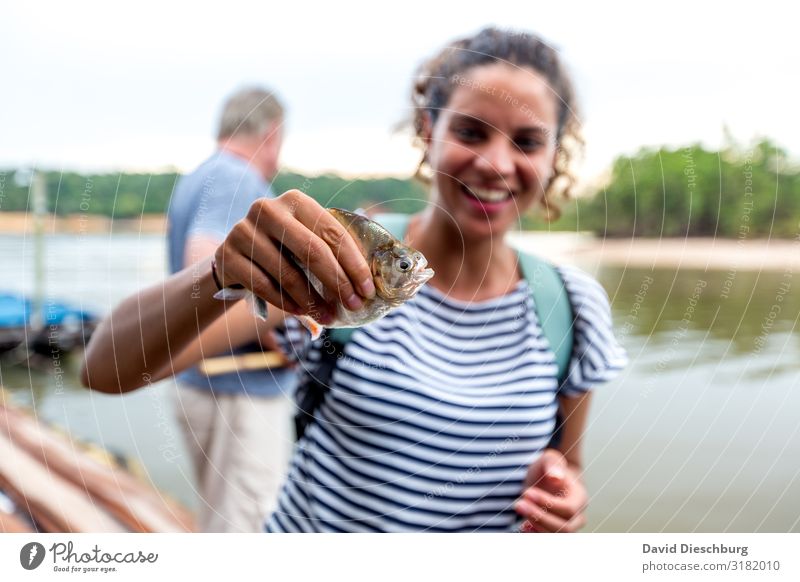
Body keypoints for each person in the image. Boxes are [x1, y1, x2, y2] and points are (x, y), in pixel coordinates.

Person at [82, 27, 627, 532]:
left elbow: (569, 465)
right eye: (470, 131)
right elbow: (105, 369)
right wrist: (217, 271)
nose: (496, 162)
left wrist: (562, 494)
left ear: (556, 156)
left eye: (528, 141)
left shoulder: (572, 306)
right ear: (427, 130)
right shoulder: (335, 266)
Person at [165, 86, 300, 532]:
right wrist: (275, 329)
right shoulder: (234, 177)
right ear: (273, 132)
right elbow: (205, 271)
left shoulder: (199, 176)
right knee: (249, 532)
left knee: (221, 523)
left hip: (203, 382)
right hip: (238, 393)